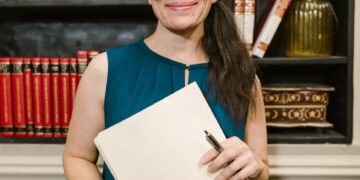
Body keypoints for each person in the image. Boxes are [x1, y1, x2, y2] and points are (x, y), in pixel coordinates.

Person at [63, 0, 269, 179]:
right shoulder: (104, 69)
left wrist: (256, 169)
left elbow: (261, 167)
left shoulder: (245, 78)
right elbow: (77, 157)